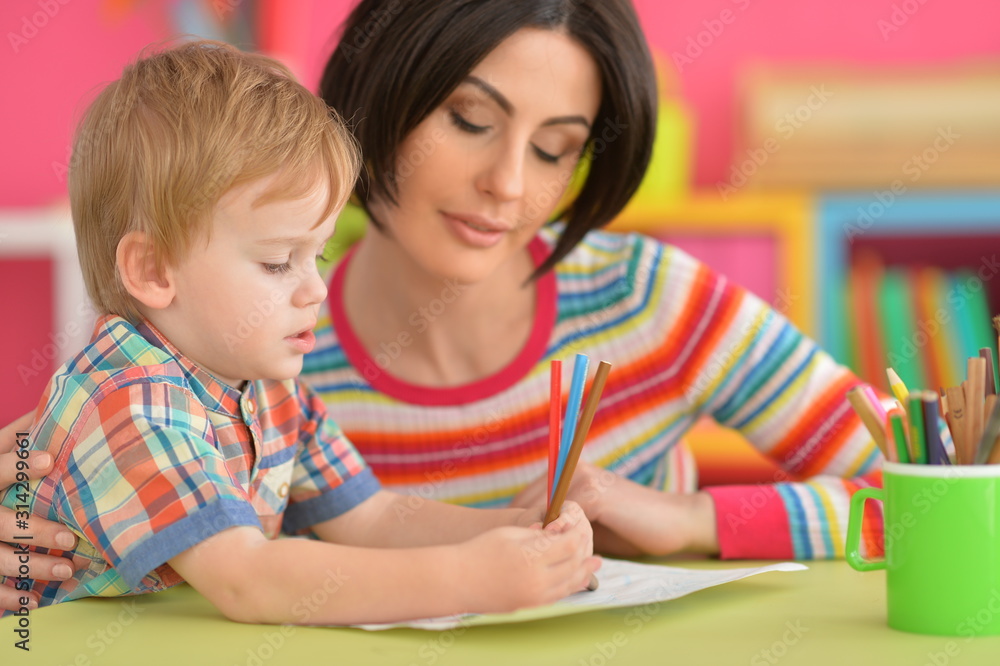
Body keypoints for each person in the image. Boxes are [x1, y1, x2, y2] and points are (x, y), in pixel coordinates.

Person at [0, 0, 886, 611]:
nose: (508, 185)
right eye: (470, 119)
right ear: (383, 98)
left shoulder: (653, 300)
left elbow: (938, 496)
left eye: (557, 149)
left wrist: (689, 521)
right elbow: (231, 571)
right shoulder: (256, 351)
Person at [0, 40, 597, 622]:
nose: (315, 290)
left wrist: (514, 532)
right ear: (154, 270)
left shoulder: (268, 392)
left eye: (319, 256)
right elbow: (247, 579)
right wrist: (469, 578)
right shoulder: (130, 402)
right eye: (278, 261)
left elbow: (372, 519)